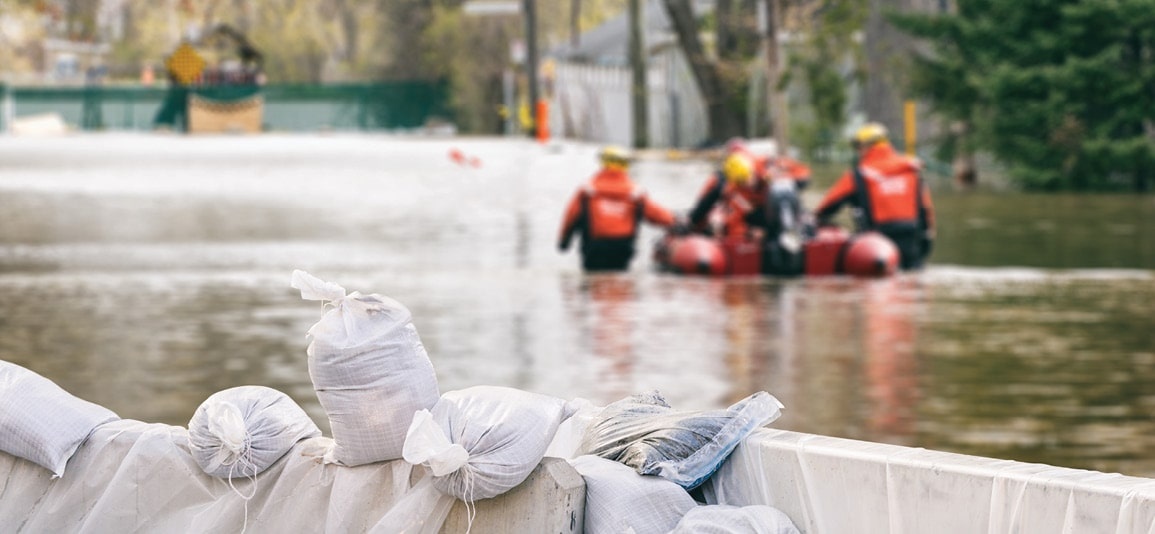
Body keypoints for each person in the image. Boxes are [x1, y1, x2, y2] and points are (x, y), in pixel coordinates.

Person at [813, 122, 936, 270]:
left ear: (867, 146)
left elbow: (828, 205)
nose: (858, 152)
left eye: (858, 147)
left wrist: (815, 219)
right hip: (912, 239)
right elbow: (926, 208)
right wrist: (927, 237)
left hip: (877, 244)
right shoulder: (910, 169)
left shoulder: (859, 175)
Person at [558, 146, 677, 271]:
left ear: (603, 163)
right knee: (620, 282)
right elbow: (655, 213)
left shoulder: (588, 189)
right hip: (623, 248)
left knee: (592, 283)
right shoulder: (635, 192)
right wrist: (675, 221)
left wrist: (564, 241)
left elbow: (571, 216)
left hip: (594, 248)